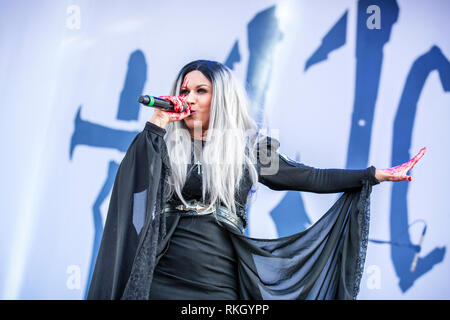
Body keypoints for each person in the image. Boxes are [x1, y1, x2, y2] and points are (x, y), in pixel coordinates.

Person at [87, 60, 425, 300]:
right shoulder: (164, 144)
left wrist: (372, 175)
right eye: (185, 90)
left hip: (217, 276)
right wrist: (158, 122)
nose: (188, 98)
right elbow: (134, 183)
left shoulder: (248, 149)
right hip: (162, 272)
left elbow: (308, 176)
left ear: (222, 98)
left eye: (200, 91)